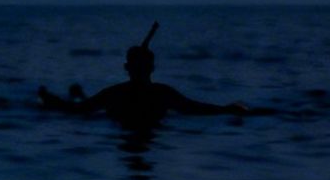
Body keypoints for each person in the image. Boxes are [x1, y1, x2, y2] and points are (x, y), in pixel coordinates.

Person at [38, 23, 254, 130]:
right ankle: (70, 94)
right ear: (128, 68)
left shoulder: (160, 94)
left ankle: (72, 93)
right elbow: (78, 111)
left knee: (76, 102)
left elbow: (194, 108)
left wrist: (226, 109)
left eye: (144, 66)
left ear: (151, 68)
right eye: (138, 66)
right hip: (126, 132)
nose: (141, 70)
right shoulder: (118, 94)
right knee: (75, 102)